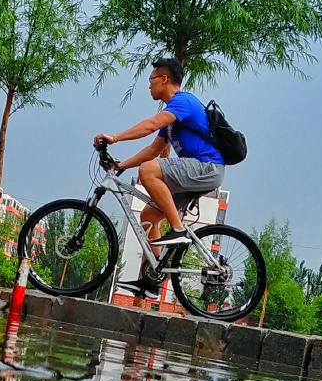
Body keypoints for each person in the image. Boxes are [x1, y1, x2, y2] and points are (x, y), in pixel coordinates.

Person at [93, 57, 224, 295]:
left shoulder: (183, 101)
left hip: (207, 167)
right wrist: (121, 166)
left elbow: (151, 124)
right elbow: (153, 149)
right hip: (195, 172)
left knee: (148, 170)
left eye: (151, 79)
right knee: (148, 216)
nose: (149, 85)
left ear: (164, 79)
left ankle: (178, 230)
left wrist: (115, 138)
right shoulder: (172, 116)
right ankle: (152, 279)